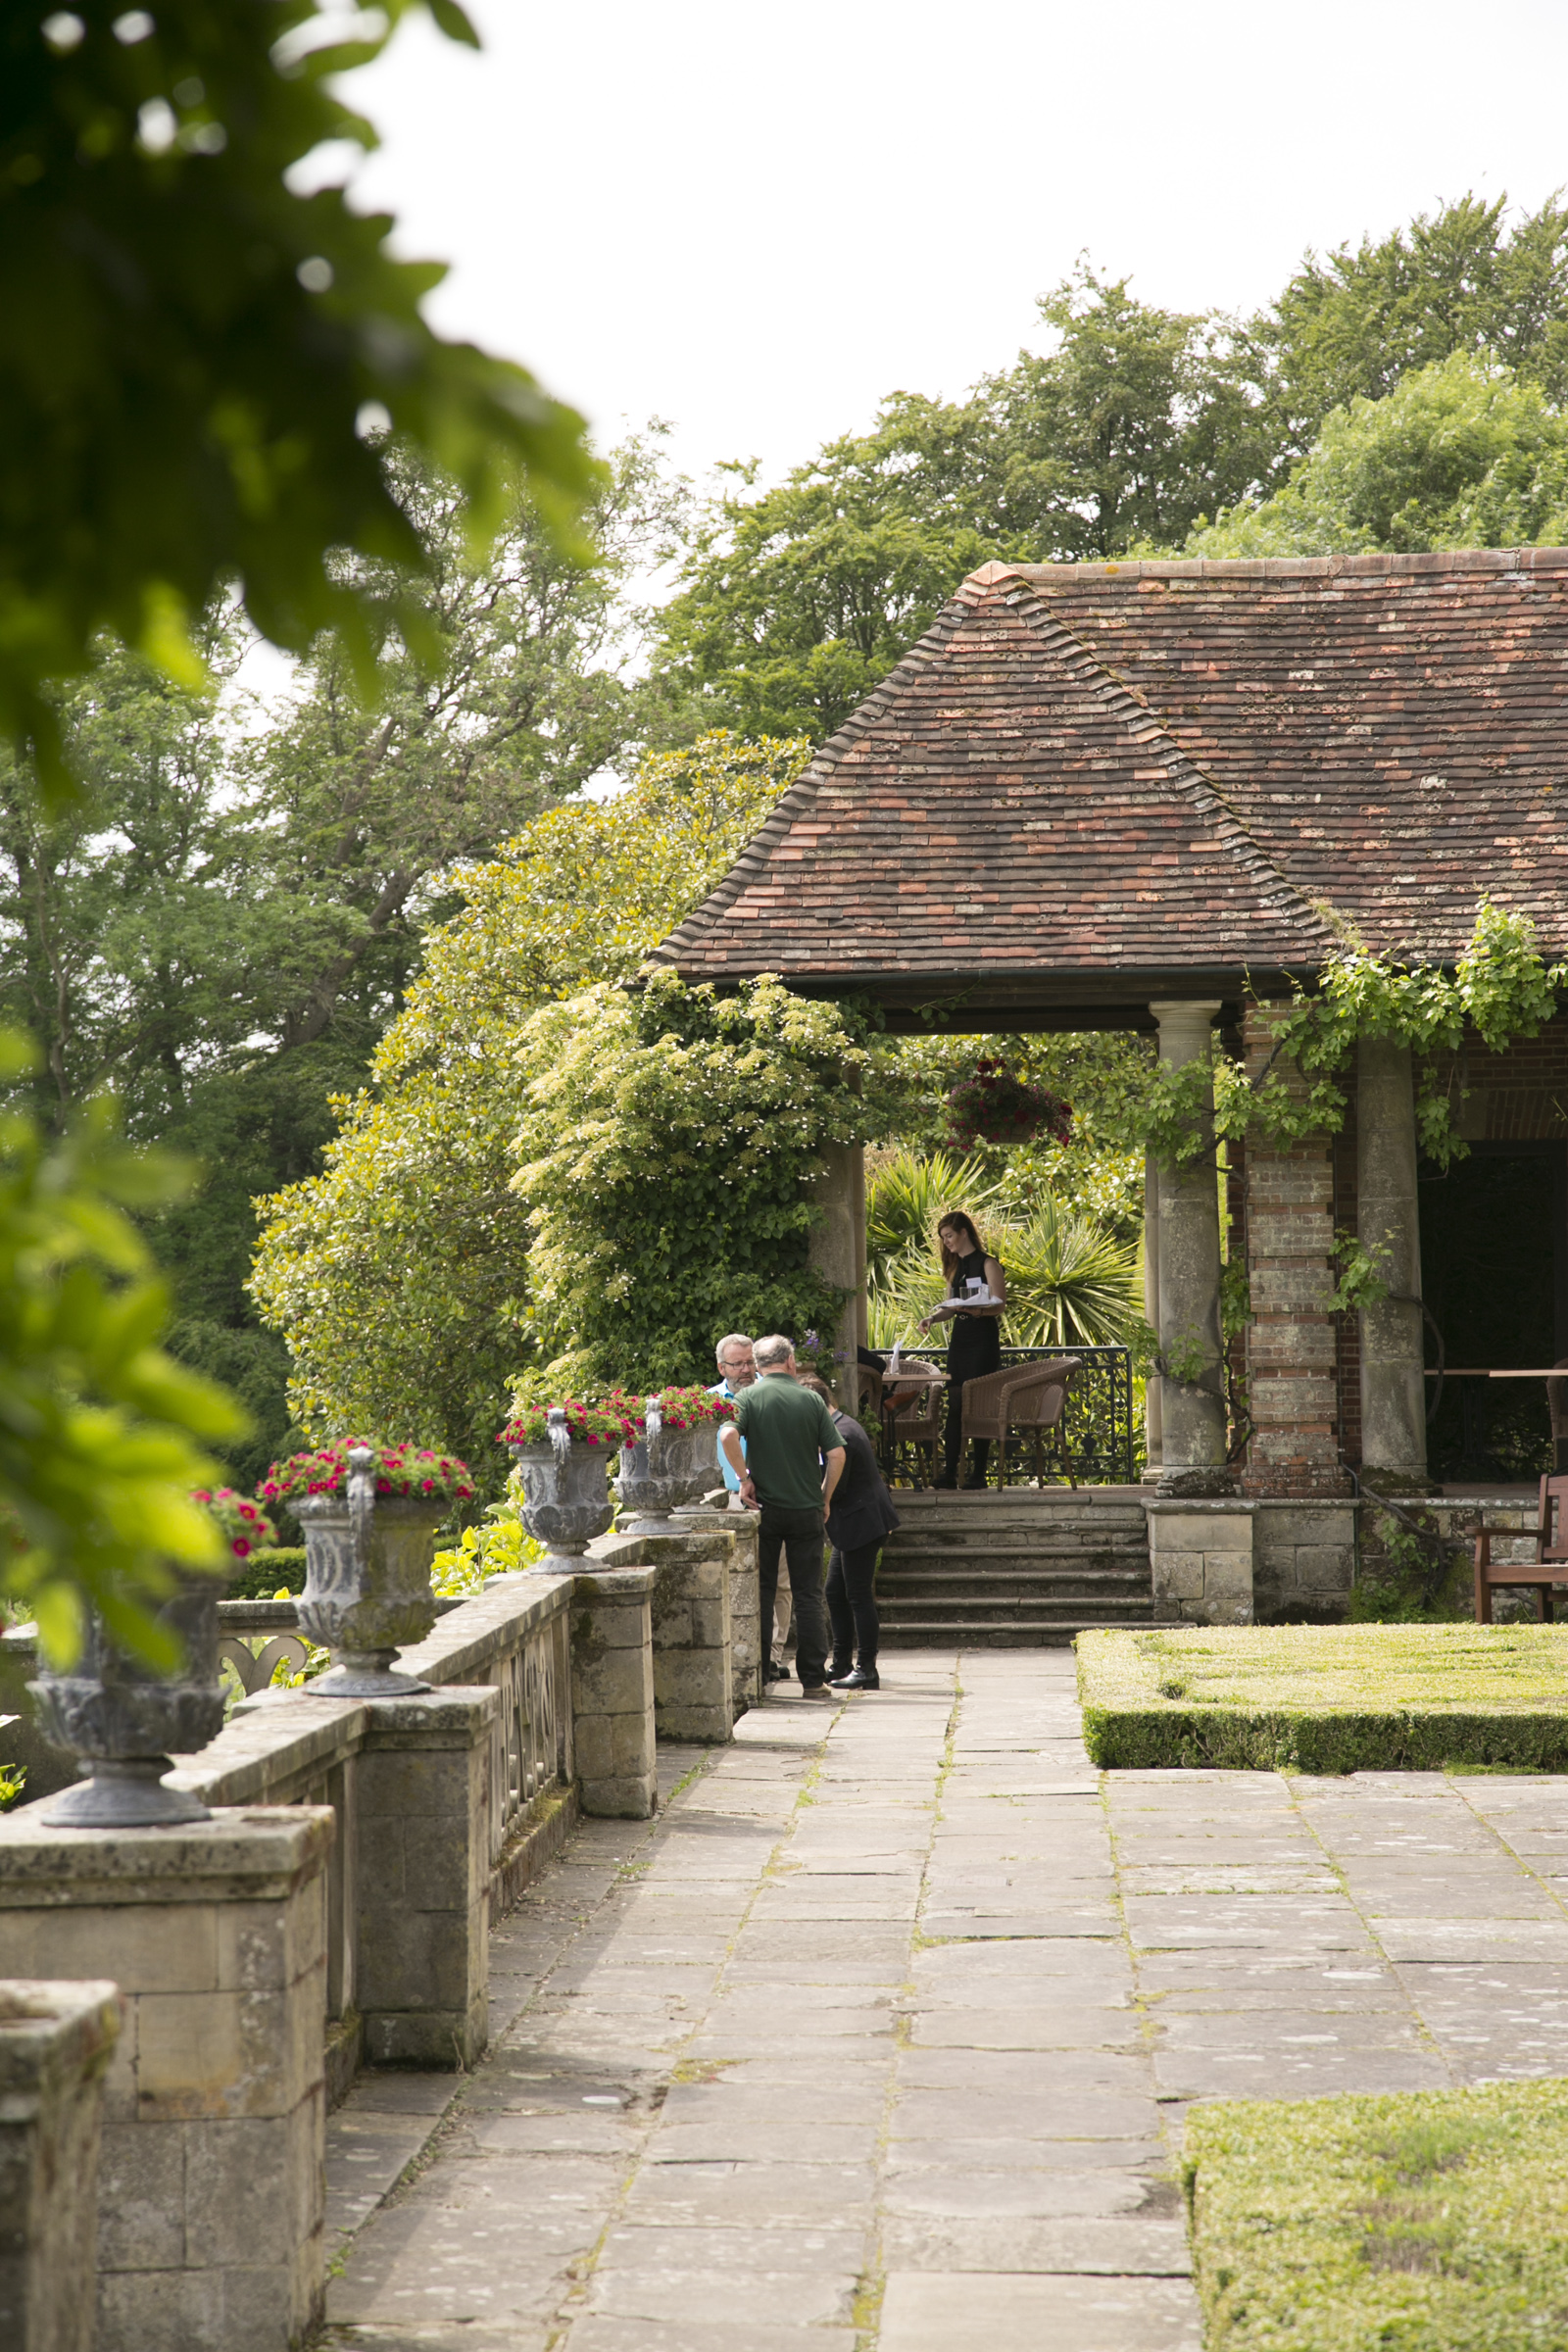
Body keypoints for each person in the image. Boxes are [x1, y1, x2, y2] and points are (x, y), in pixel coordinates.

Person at [719, 1336, 844, 1700]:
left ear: (757, 1366)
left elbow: (728, 1434)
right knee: (807, 1594)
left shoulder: (748, 1398)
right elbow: (836, 1454)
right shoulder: (810, 1399)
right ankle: (812, 1680)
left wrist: (745, 1480)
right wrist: (825, 1497)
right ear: (790, 1361)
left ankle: (759, 1677)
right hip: (806, 1510)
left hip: (765, 1510)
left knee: (763, 1591)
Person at [798, 1376, 899, 1692]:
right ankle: (841, 1662)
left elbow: (835, 1489)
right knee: (834, 1592)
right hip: (856, 1523)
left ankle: (866, 1668)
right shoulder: (840, 1425)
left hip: (862, 1524)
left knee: (857, 1596)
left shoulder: (842, 1435)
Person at [919, 1211, 1006, 1489]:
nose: (946, 1242)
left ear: (964, 1232)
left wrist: (976, 1310)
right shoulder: (954, 1267)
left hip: (982, 1339)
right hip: (961, 1340)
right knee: (955, 1403)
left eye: (949, 1236)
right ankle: (949, 1472)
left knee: (978, 1403)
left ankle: (979, 1473)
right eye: (943, 1238)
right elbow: (950, 1308)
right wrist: (933, 1318)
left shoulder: (988, 1263)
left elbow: (1000, 1305)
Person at [710, 1333, 757, 1508]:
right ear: (721, 1368)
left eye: (750, 1362)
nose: (745, 1369)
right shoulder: (710, 1402)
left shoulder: (772, 1395)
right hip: (736, 1496)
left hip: (776, 1496)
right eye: (737, 1364)